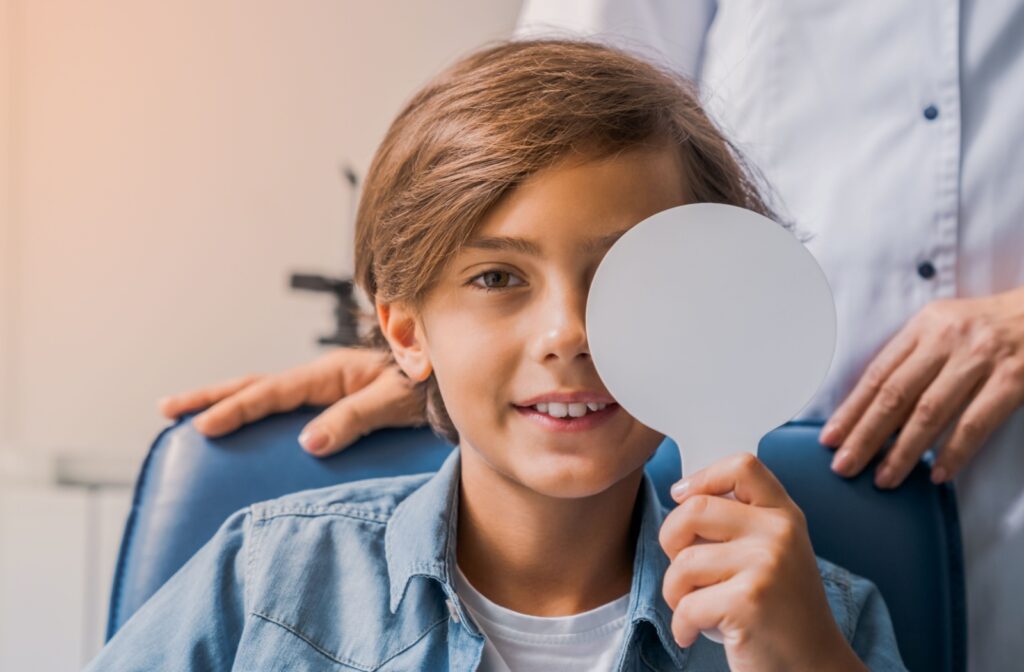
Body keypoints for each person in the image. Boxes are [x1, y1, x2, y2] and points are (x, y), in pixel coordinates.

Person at [163, 3, 1024, 669]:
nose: (570, 331)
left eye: (624, 278)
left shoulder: (821, 620)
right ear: (404, 330)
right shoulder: (263, 582)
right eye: (498, 278)